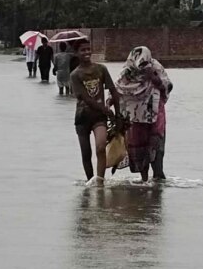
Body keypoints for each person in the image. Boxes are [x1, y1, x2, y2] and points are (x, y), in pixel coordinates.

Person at [115, 46, 172, 182]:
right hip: (135, 120)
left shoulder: (156, 67)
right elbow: (118, 89)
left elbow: (167, 86)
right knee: (139, 148)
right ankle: (144, 180)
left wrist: (153, 77)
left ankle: (158, 177)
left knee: (156, 146)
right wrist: (110, 104)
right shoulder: (127, 72)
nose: (143, 66)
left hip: (156, 116)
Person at [70, 38, 120, 186]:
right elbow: (84, 97)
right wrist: (105, 109)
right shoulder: (75, 75)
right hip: (82, 117)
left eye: (88, 49)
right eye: (82, 50)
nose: (86, 52)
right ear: (77, 53)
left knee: (100, 147)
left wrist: (117, 114)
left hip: (99, 118)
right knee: (86, 153)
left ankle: (99, 182)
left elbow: (113, 91)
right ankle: (89, 181)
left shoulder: (101, 69)